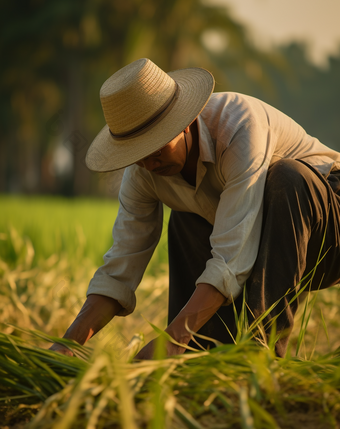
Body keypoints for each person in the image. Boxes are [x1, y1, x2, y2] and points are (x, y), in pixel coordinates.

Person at [49, 57, 340, 359]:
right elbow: (121, 264)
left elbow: (232, 257)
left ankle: (258, 358)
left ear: (185, 122)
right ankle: (197, 358)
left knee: (287, 178)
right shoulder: (142, 173)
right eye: (137, 155)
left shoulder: (239, 127)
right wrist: (68, 343)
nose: (149, 164)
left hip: (325, 234)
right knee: (185, 218)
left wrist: (172, 339)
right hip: (261, 244)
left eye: (156, 148)